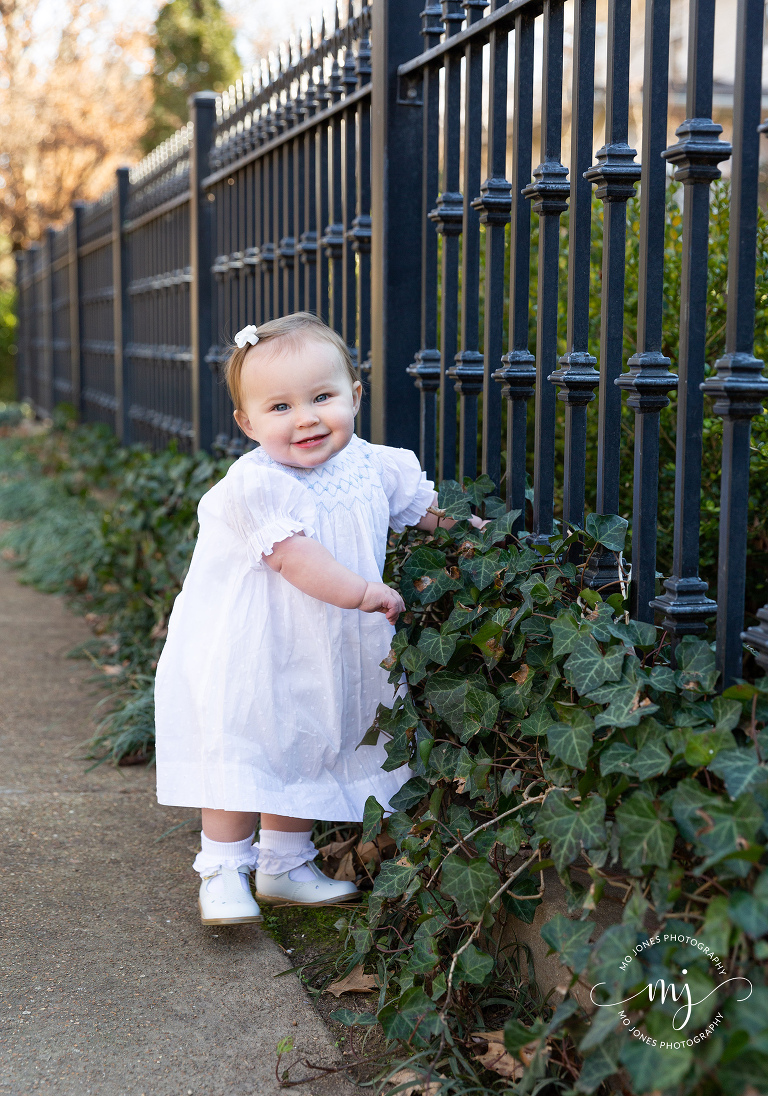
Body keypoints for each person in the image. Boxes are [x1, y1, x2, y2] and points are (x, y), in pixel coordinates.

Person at [154, 312, 482, 925]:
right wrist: (362, 592)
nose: (305, 418)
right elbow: (296, 560)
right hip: (257, 645)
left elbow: (429, 511)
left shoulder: (375, 465)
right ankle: (224, 870)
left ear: (354, 397)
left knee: (309, 740)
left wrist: (481, 535)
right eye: (279, 408)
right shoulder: (255, 485)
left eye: (322, 397)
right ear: (247, 424)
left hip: (332, 645)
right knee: (250, 744)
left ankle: (284, 864)